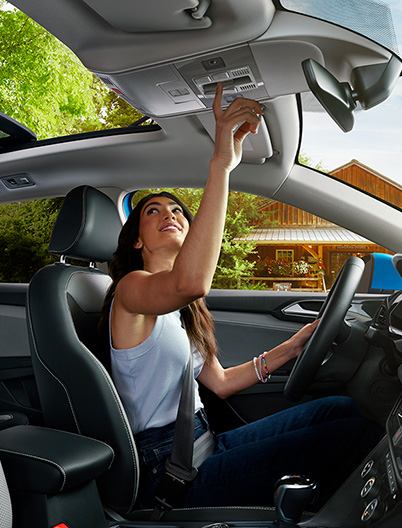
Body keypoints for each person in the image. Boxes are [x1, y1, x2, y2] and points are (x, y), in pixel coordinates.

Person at [100, 84, 383, 509]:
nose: (170, 214)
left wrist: (293, 345)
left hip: (203, 440)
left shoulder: (181, 311)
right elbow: (190, 281)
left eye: (177, 210)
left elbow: (220, 382)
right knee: (352, 436)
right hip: (167, 468)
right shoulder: (130, 290)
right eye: (153, 211)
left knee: (338, 409)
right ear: (136, 241)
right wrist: (221, 164)